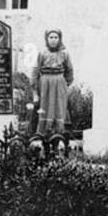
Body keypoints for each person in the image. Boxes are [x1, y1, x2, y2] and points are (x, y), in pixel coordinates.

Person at [31, 29, 75, 157]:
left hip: (59, 84)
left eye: (56, 37)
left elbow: (70, 70)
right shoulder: (42, 53)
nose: (53, 40)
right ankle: (44, 142)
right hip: (45, 85)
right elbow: (35, 71)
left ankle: (57, 140)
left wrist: (64, 84)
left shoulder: (65, 54)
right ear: (47, 39)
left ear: (60, 38)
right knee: (45, 110)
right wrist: (35, 91)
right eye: (51, 37)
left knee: (58, 110)